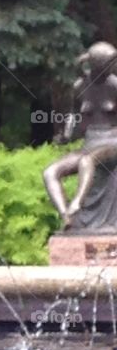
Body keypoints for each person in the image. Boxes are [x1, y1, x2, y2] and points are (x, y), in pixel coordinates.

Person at [43, 42, 117, 228]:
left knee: (87, 161)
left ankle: (76, 204)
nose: (112, 67)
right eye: (108, 64)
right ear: (96, 65)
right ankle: (66, 216)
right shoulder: (80, 86)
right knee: (50, 172)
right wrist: (66, 135)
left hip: (112, 140)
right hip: (90, 142)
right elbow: (73, 115)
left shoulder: (115, 86)